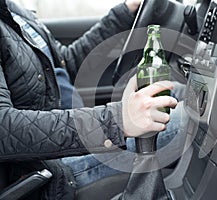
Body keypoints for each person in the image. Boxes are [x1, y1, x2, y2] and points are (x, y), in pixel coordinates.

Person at [0, 0, 178, 199]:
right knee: (185, 120)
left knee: (178, 93)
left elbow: (65, 62)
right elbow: (4, 128)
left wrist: (125, 12)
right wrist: (117, 120)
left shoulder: (13, 11)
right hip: (45, 171)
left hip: (69, 142)